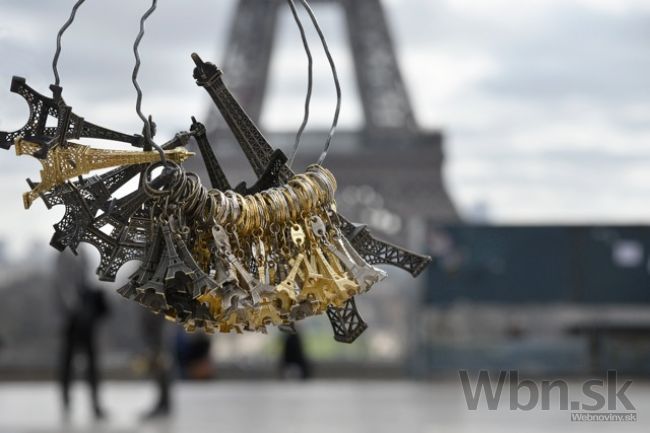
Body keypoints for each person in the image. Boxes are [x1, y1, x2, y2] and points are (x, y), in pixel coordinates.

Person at [54, 248, 109, 420]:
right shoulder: (64, 255)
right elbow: (62, 285)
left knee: (90, 362)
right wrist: (74, 310)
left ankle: (94, 403)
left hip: (85, 317)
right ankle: (68, 402)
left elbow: (89, 280)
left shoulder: (82, 253)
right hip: (72, 319)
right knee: (69, 362)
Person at [140, 310, 173, 419]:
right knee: (157, 368)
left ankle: (164, 404)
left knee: (160, 367)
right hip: (154, 332)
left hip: (157, 334)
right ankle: (162, 403)